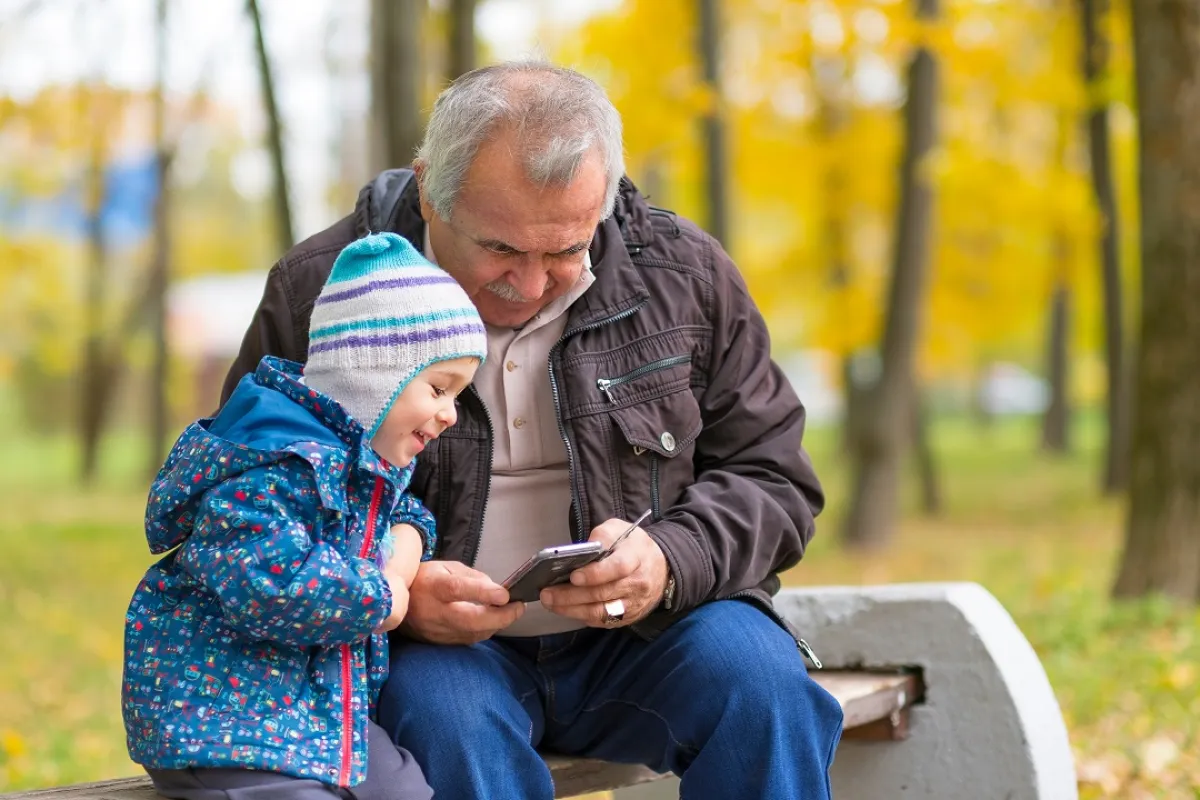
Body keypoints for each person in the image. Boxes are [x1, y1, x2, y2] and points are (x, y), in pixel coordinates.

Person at [221, 61, 843, 800]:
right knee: (444, 722)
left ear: (602, 205)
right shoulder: (322, 289)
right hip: (441, 655)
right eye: (502, 251)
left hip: (653, 636)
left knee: (764, 689)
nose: (532, 283)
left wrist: (669, 559)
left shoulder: (685, 273)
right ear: (429, 190)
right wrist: (391, 593)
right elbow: (241, 501)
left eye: (565, 250)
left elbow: (773, 475)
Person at [122, 232, 488, 799]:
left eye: (459, 396)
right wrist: (385, 595)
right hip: (226, 724)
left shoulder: (358, 462)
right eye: (440, 388)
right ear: (373, 377)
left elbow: (401, 510)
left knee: (409, 792)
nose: (450, 415)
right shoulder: (270, 469)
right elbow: (276, 584)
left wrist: (409, 535)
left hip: (309, 714)